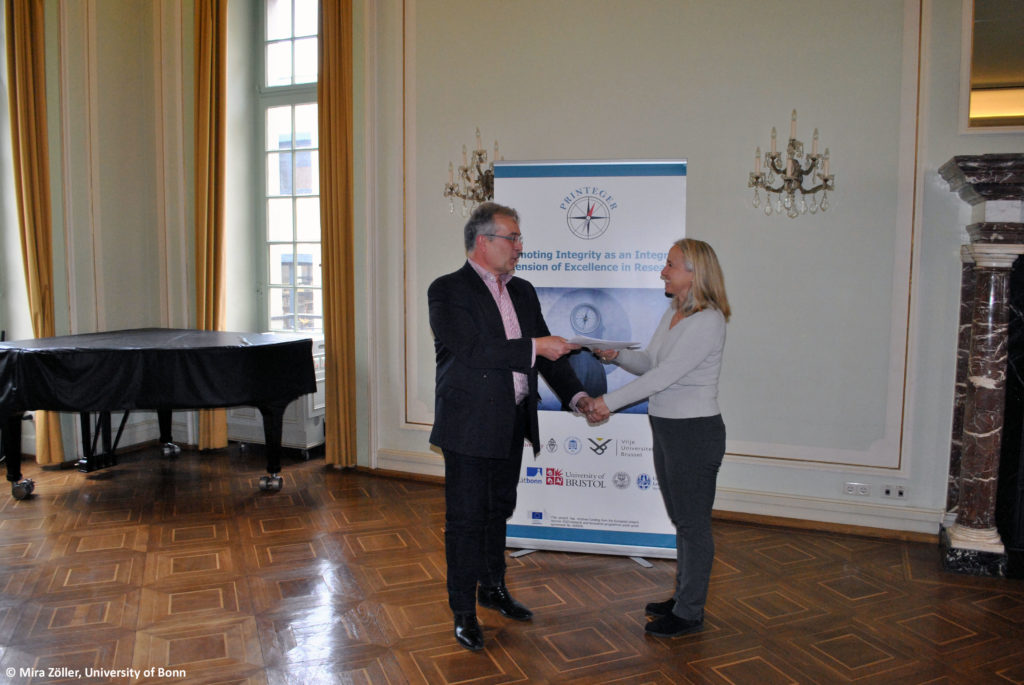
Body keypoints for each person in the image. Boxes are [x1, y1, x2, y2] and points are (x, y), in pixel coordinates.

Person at [428, 201, 592, 651]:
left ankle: (492, 588)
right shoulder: (447, 290)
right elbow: (474, 349)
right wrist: (536, 346)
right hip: (468, 426)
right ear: (483, 241)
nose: (520, 246)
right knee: (465, 520)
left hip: (512, 420)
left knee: (498, 509)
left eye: (519, 238)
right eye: (513, 238)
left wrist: (577, 396)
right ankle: (463, 612)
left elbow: (548, 356)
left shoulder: (523, 291)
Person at [586, 238, 730, 638]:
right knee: (682, 519)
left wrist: (607, 403)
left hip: (694, 431)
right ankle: (683, 596)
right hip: (667, 427)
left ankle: (689, 613)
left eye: (670, 265)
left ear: (695, 273)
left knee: (693, 524)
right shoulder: (675, 313)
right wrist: (616, 355)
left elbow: (664, 377)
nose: (663, 271)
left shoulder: (708, 321)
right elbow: (651, 363)